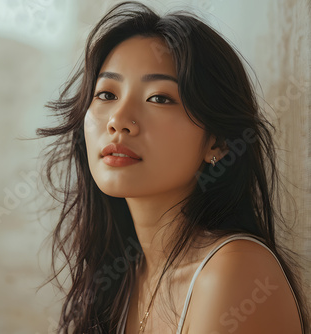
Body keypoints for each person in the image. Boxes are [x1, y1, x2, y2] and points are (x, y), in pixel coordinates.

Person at [34, 1, 309, 333]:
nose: (119, 121)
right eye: (107, 94)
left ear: (218, 142)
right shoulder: (123, 274)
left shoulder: (234, 273)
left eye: (159, 98)